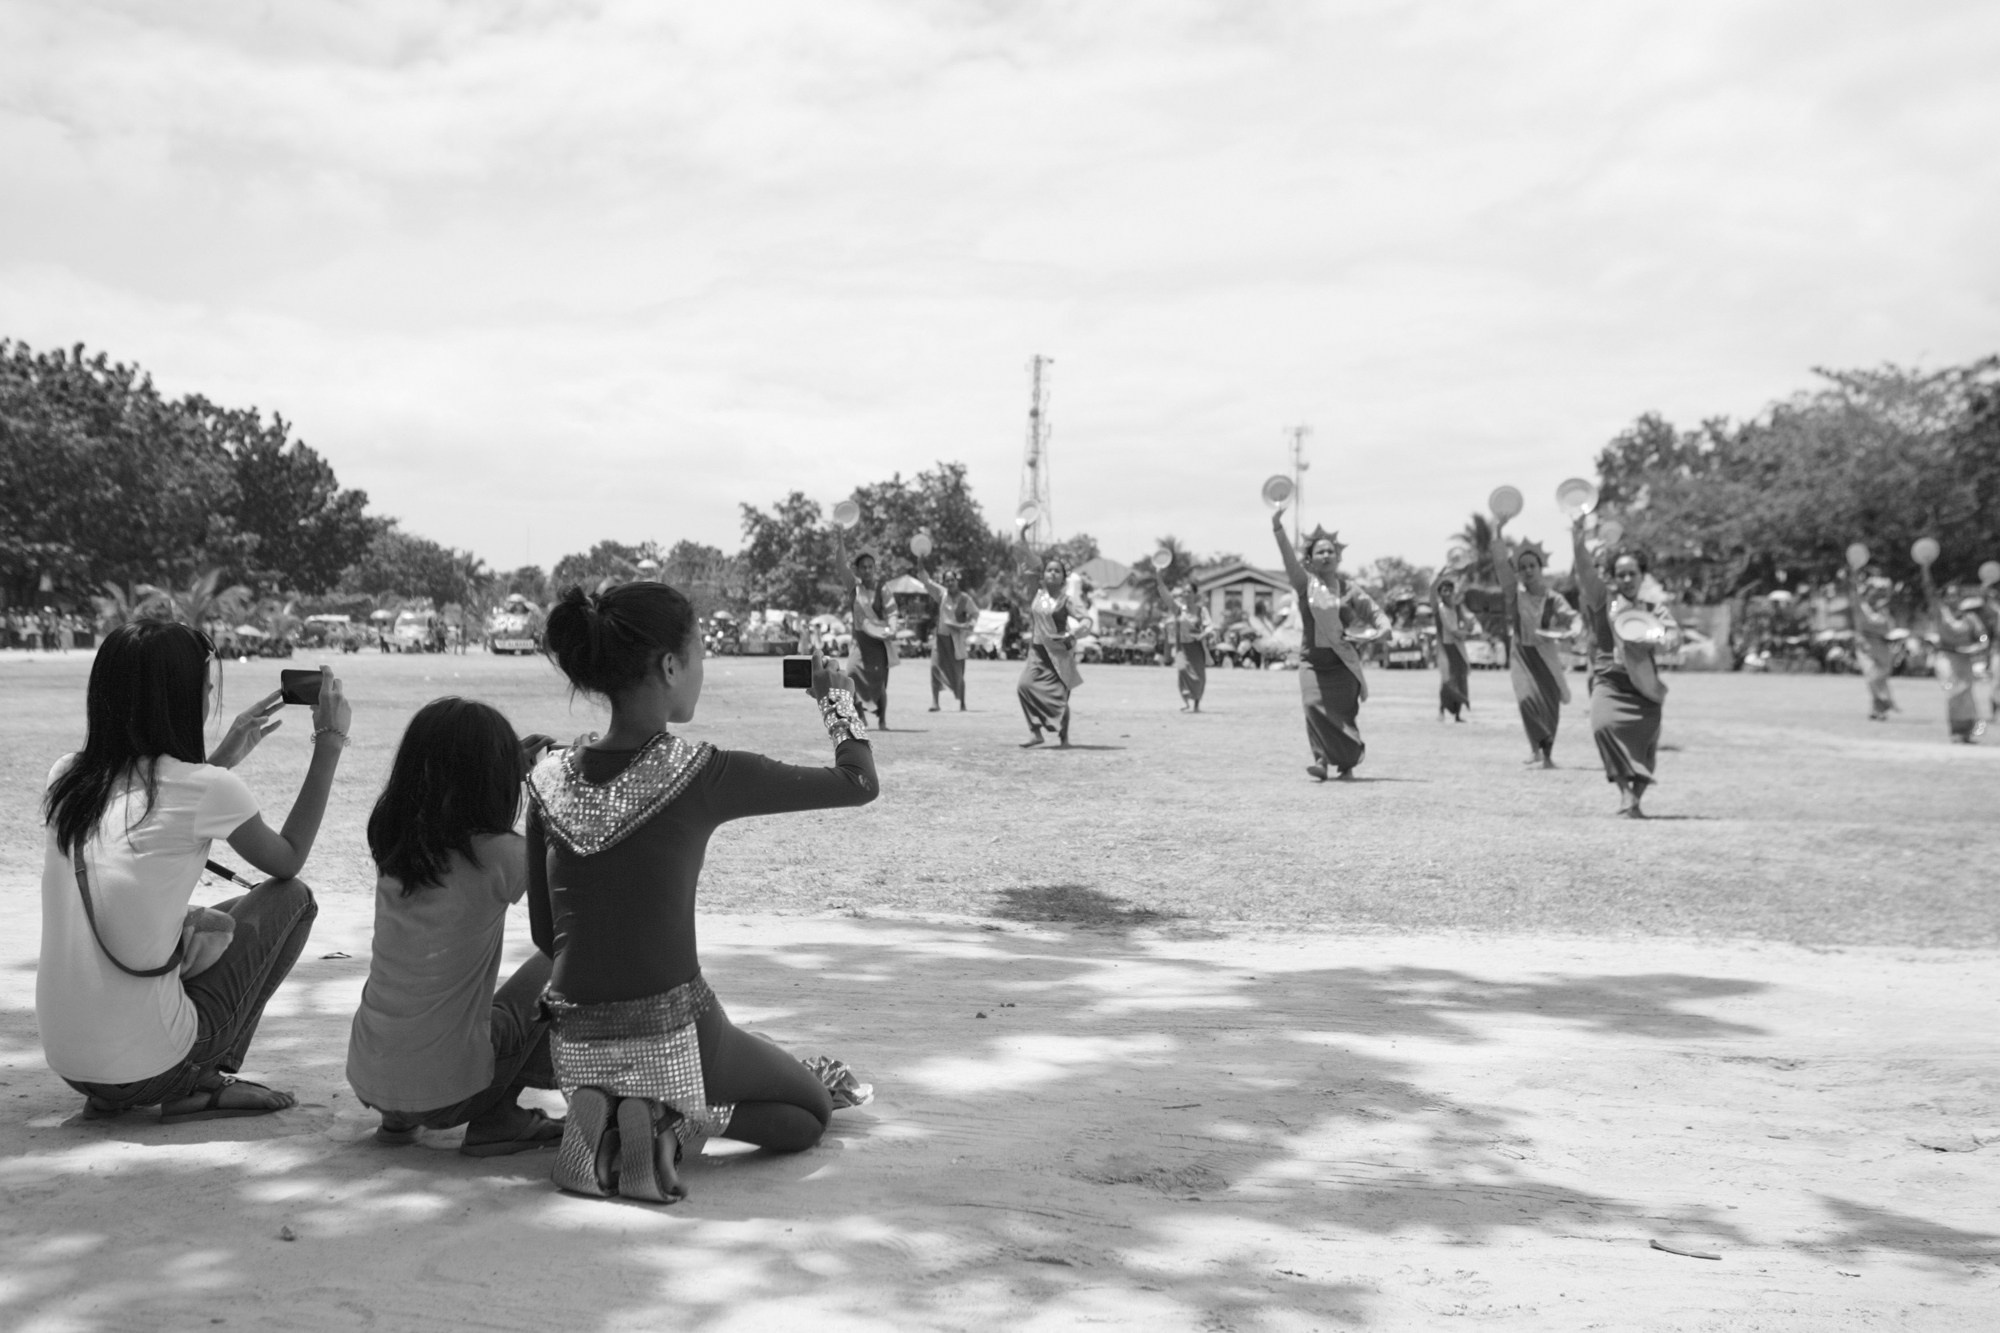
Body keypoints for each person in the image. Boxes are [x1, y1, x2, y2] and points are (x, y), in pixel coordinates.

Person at [529, 582, 876, 1204]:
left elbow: (541, 933)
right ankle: (665, 1116)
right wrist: (837, 704)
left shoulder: (547, 779)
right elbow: (857, 781)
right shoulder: (701, 772)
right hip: (674, 1027)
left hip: (573, 1038)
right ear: (669, 666)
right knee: (809, 1112)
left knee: (762, 1092)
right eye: (698, 656)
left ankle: (610, 1118)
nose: (701, 672)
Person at [37, 621, 344, 1122]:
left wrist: (220, 761)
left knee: (206, 916)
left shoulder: (67, 777)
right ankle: (201, 1078)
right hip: (151, 1068)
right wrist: (330, 742)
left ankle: (142, 1081)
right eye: (204, 690)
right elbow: (288, 860)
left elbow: (154, 807)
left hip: (71, 1064)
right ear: (181, 701)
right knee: (294, 899)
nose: (208, 700)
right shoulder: (205, 789)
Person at [346, 699, 564, 1156]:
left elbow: (450, 789)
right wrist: (561, 789)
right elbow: (579, 893)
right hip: (451, 1096)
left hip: (370, 1077)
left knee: (423, 1000)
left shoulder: (395, 843)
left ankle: (399, 1120)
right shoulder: (499, 854)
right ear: (495, 781)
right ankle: (499, 1116)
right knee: (565, 953)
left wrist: (502, 768)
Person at [1572, 521, 1678, 816]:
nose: (1628, 578)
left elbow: (1673, 638)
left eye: (1633, 573)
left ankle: (1634, 799)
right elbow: (1584, 569)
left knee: (1646, 747)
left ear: (1642, 575)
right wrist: (1577, 536)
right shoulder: (1602, 601)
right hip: (1609, 682)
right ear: (1614, 578)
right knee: (1602, 727)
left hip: (1645, 687)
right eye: (1621, 574)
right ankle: (1623, 791)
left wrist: (1653, 637)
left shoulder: (1654, 610)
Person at [1271, 517, 1387, 780]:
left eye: (1330, 551)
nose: (1326, 555)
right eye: (1319, 551)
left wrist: (1383, 628)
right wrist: (1278, 529)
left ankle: (1347, 764)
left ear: (1338, 557)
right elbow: (1288, 558)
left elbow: (1374, 611)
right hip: (1312, 662)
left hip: (1344, 664)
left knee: (1344, 715)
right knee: (1312, 706)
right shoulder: (1304, 585)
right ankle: (1321, 760)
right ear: (1309, 559)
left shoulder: (1349, 589)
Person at [1485, 524, 1580, 767]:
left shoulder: (1554, 598)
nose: (1527, 570)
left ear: (1541, 568)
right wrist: (1497, 534)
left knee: (1549, 706)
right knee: (1526, 699)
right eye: (1523, 567)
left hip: (1546, 655)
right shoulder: (1515, 594)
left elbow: (1573, 618)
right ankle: (1536, 747)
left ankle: (1545, 754)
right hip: (1522, 655)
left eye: (1532, 566)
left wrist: (1573, 630)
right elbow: (1501, 567)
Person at [1015, 552, 1089, 746]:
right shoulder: (1036, 594)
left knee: (1060, 698)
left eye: (1057, 571)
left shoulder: (1067, 600)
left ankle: (1064, 738)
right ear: (1044, 575)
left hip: (1058, 654)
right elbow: (1030, 564)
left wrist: (1078, 631)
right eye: (1049, 570)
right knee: (1024, 686)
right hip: (1037, 653)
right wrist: (1023, 534)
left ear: (1064, 578)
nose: (1053, 574)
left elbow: (1086, 619)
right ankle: (1035, 732)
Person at [834, 532, 896, 729]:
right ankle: (860, 714)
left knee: (880, 684)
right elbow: (841, 565)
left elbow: (892, 611)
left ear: (874, 569)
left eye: (870, 567)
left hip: (878, 644)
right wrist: (841, 540)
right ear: (858, 570)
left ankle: (882, 719)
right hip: (858, 643)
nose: (867, 570)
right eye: (863, 567)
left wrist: (892, 628)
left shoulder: (883, 589)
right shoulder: (854, 587)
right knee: (851, 675)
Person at [1922, 574, 1990, 743]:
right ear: (1944, 598)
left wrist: (1979, 646)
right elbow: (1929, 592)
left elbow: (1982, 637)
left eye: (1956, 595)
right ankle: (1956, 730)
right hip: (1946, 658)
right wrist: (1925, 569)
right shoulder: (1941, 614)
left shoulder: (1970, 617)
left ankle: (1965, 733)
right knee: (1953, 692)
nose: (1953, 598)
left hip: (1965, 660)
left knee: (1966, 695)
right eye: (1949, 595)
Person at [916, 561, 978, 712]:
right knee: (934, 668)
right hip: (941, 639)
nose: (950, 583)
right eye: (947, 581)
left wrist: (968, 625)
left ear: (957, 581)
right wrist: (920, 561)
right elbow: (926, 581)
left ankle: (962, 703)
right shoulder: (942, 594)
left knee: (959, 674)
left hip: (956, 641)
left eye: (952, 580)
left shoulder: (965, 599)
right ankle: (935, 702)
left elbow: (975, 613)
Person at [1152, 568, 1213, 712]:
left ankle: (1197, 703)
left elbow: (1210, 627)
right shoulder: (1179, 609)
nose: (1185, 594)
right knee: (1183, 672)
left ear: (1194, 594)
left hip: (1196, 648)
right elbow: (1166, 597)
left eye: (1188, 592)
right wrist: (1159, 579)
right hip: (1182, 648)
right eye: (1184, 592)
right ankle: (1186, 702)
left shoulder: (1201, 610)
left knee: (1199, 677)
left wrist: (1203, 634)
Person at [1846, 571, 1899, 721]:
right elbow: (1853, 596)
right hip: (1866, 646)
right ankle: (1885, 701)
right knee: (1872, 676)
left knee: (1881, 678)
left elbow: (1890, 629)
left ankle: (1878, 710)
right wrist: (1853, 577)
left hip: (1883, 647)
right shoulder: (1861, 608)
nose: (1875, 596)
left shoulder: (1884, 612)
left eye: (1878, 594)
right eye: (1873, 593)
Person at [1430, 575, 1475, 722]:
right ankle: (1441, 710)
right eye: (1444, 591)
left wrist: (1470, 624)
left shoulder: (1456, 607)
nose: (1448, 593)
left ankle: (1457, 714)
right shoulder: (1441, 609)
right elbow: (1451, 629)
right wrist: (1464, 633)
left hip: (1458, 647)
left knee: (1461, 679)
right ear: (1440, 593)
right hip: (1446, 647)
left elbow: (1466, 620)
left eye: (1450, 590)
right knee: (1448, 681)